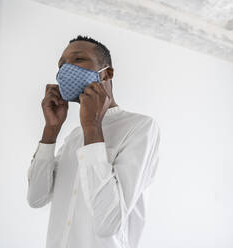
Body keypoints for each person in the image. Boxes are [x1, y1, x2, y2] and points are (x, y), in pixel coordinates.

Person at [27, 35, 160, 248]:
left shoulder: (140, 127)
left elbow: (108, 224)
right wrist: (51, 130)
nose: (65, 70)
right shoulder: (74, 137)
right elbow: (36, 198)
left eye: (78, 60)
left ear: (107, 72)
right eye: (61, 65)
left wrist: (92, 128)